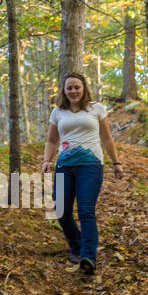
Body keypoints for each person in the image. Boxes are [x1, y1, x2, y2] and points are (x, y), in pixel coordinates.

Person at [40, 72, 123, 275]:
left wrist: (116, 162)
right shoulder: (58, 112)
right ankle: (76, 246)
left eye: (77, 87)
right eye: (69, 88)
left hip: (90, 166)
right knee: (61, 210)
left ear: (84, 88)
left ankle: (88, 256)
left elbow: (107, 139)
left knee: (86, 211)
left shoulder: (97, 109)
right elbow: (51, 140)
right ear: (64, 90)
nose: (73, 91)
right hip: (64, 166)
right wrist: (46, 160)